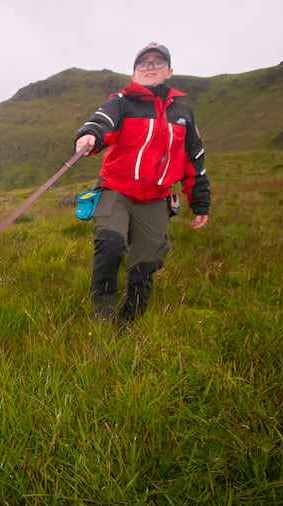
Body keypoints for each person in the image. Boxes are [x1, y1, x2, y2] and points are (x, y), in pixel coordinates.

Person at [74, 42, 211, 326]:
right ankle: (103, 311)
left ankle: (131, 318)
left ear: (169, 71)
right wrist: (90, 135)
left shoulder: (183, 114)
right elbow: (102, 121)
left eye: (157, 62)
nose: (150, 67)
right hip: (115, 190)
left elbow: (194, 159)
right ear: (134, 73)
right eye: (143, 63)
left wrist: (200, 203)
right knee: (110, 244)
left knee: (148, 260)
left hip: (156, 198)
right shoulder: (121, 102)